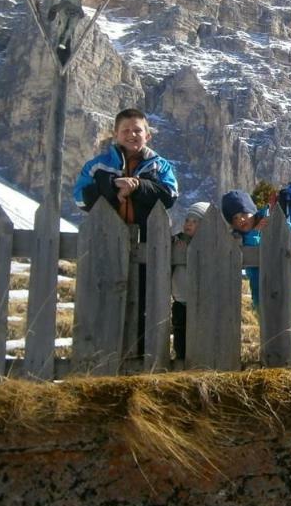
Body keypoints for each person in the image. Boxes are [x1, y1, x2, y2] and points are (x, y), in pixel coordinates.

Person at [73, 108, 178, 356]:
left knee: (146, 302)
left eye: (137, 130)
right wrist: (112, 186)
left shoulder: (161, 167)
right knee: (104, 299)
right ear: (115, 135)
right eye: (126, 130)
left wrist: (137, 186)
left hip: (148, 244)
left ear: (148, 135)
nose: (132, 134)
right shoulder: (96, 166)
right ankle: (102, 357)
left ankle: (142, 356)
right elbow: (80, 198)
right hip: (107, 243)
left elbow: (170, 196)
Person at [221, 188, 291, 366]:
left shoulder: (275, 221)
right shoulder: (237, 239)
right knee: (273, 333)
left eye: (243, 213)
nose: (240, 219)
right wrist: (254, 233)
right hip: (263, 293)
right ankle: (276, 365)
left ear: (252, 210)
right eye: (234, 218)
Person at [171, 201, 209, 361]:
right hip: (180, 300)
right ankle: (180, 359)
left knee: (200, 334)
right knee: (180, 332)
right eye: (187, 220)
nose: (189, 224)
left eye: (195, 221)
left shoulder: (208, 246)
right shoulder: (177, 241)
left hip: (201, 301)